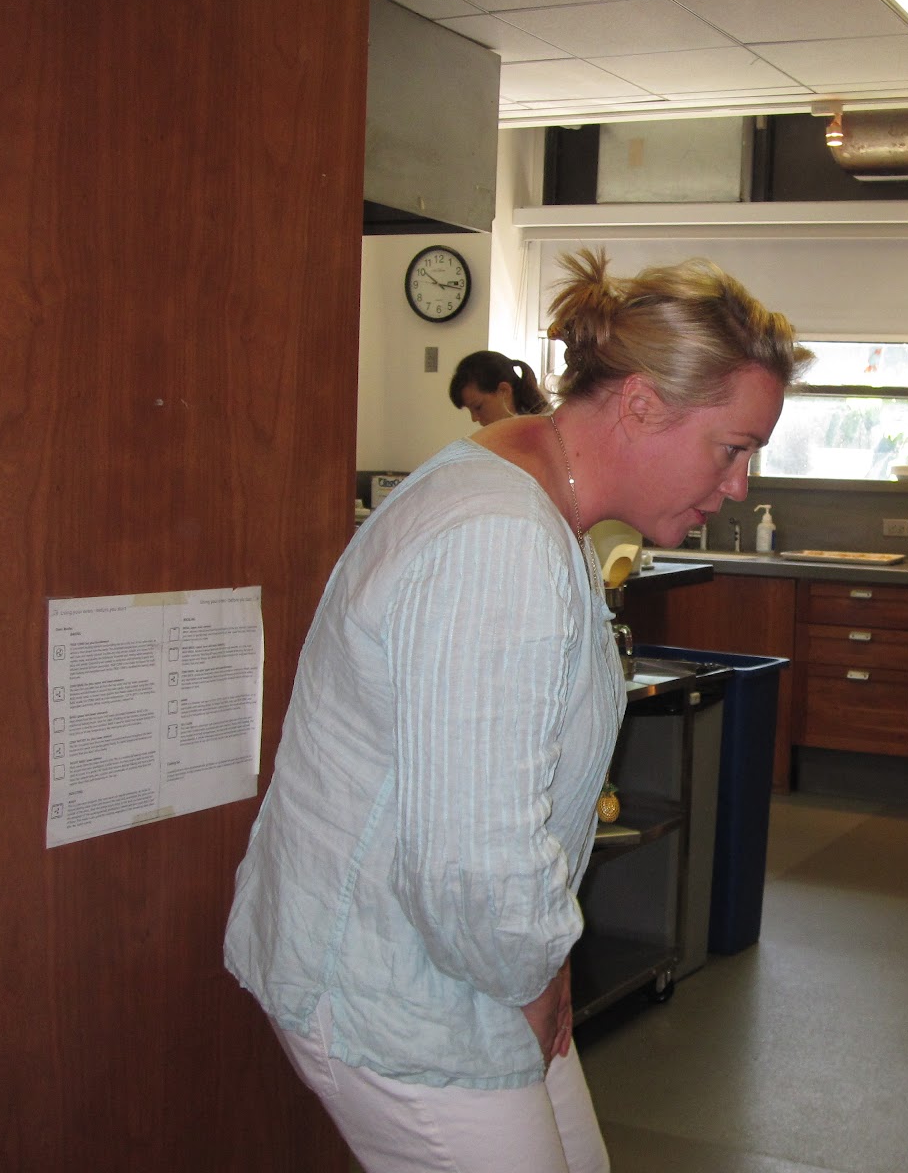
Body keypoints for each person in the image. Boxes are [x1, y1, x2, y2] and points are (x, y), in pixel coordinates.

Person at [224, 247, 807, 1173]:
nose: (739, 486)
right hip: (396, 980)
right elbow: (471, 860)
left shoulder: (535, 503)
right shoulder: (497, 542)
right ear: (642, 406)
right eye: (732, 449)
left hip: (470, 959)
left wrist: (538, 962)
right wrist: (530, 966)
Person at [450, 349, 549, 424]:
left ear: (504, 391)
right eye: (470, 410)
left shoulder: (537, 432)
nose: (474, 419)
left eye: (478, 407)